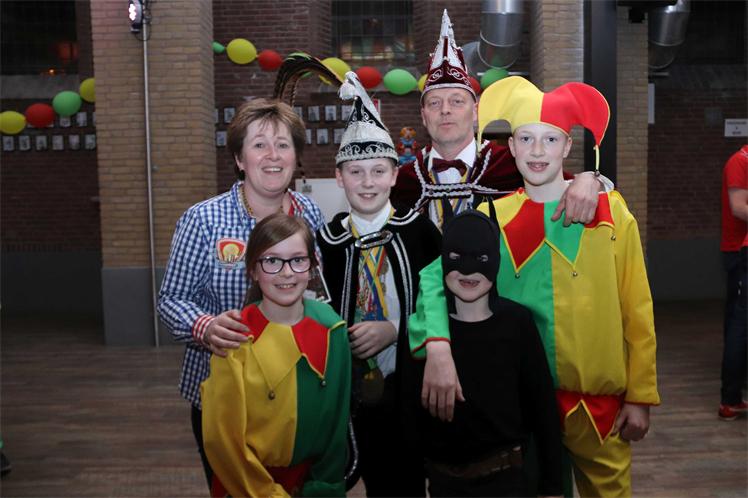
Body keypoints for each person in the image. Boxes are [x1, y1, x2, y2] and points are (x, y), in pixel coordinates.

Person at [409, 76, 660, 497]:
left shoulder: (611, 213)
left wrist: (641, 395)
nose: (538, 151)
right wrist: (435, 343)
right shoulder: (491, 216)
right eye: (526, 139)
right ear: (511, 147)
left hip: (597, 408)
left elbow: (637, 308)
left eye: (551, 139)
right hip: (519, 409)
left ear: (567, 146)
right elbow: (435, 276)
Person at [157, 98, 325, 489]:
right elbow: (171, 300)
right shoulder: (203, 220)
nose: (273, 155)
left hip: (296, 393)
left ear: (296, 156)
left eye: (283, 145)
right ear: (239, 158)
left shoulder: (311, 214)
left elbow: (318, 290)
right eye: (259, 145)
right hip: (224, 394)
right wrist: (206, 327)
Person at [317, 71, 441, 497]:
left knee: (405, 484)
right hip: (350, 394)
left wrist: (396, 329)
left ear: (394, 175)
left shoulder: (420, 233)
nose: (367, 182)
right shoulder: (326, 241)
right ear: (339, 178)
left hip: (408, 387)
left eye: (377, 171)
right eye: (356, 172)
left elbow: (442, 304)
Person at [392, 9, 610, 231]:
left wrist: (591, 180)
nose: (445, 110)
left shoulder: (513, 163)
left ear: (475, 112)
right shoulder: (403, 179)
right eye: (434, 103)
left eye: (456, 101)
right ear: (423, 116)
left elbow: (570, 187)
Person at [404, 210, 562, 497]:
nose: (468, 270)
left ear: (496, 261)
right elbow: (410, 422)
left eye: (481, 258)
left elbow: (543, 409)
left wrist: (552, 487)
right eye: (457, 257)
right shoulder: (423, 333)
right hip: (444, 486)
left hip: (508, 482)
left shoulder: (517, 324)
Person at [201, 213, 351, 497]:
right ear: (253, 270)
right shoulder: (234, 338)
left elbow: (337, 423)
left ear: (312, 266)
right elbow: (224, 440)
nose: (287, 272)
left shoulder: (332, 329)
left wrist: (325, 486)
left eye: (298, 260)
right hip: (247, 487)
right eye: (272, 261)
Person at [718, 144, 748, 420]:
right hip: (737, 251)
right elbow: (739, 208)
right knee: (738, 324)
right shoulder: (740, 161)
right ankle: (730, 397)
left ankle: (733, 395)